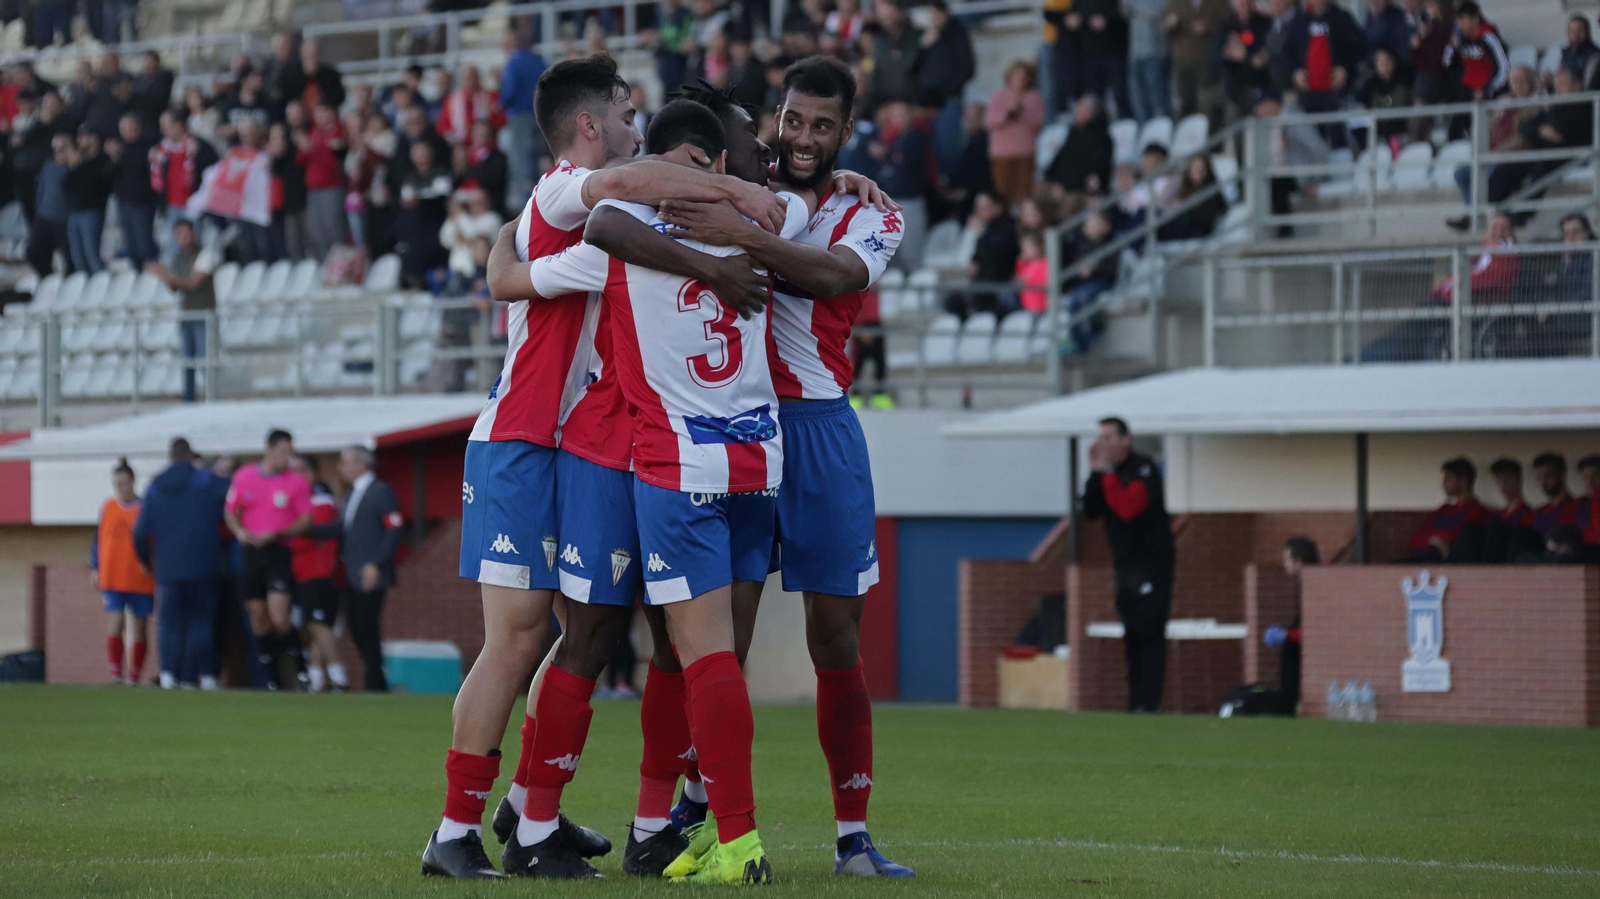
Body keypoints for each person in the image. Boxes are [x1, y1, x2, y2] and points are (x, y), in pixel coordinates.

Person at [535, 60, 911, 880]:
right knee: (709, 643)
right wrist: (734, 208)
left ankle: (852, 834)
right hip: (737, 430)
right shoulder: (739, 178)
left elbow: (834, 275)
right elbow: (622, 210)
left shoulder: (860, 210)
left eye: (824, 127)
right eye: (793, 121)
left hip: (814, 429)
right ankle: (693, 817)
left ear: (847, 131)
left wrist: (742, 235)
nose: (804, 138)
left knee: (834, 637)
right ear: (774, 121)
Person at [422, 53, 788, 881]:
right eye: (625, 112)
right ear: (592, 125)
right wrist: (733, 196)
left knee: (575, 630)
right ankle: (452, 832)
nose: (634, 126)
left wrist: (508, 270)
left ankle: (529, 811)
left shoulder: (610, 209)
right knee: (517, 640)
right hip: (522, 438)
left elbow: (514, 270)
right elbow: (522, 267)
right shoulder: (567, 190)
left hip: (579, 443)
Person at [1082, 417, 1174, 713]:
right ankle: (1134, 703)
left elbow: (1127, 508)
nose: (1103, 443)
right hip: (1124, 567)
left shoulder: (1142, 468)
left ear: (1125, 440)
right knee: (1132, 635)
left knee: (1149, 633)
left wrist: (1107, 473)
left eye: (1109, 437)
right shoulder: (1107, 473)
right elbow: (1090, 510)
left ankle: (1150, 703)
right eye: (1100, 437)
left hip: (1152, 566)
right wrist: (1095, 475)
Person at [132, 438, 230, 691]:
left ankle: (167, 675)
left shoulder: (155, 487)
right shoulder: (206, 482)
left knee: (169, 623)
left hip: (168, 569)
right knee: (201, 623)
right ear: (190, 456)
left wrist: (146, 560)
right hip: (204, 566)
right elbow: (233, 500)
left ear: (170, 456)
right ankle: (199, 676)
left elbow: (140, 532)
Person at [224, 429, 314, 691]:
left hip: (279, 551)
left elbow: (306, 520)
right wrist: (240, 531)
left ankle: (301, 670)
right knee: (258, 619)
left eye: (290, 452)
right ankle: (273, 679)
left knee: (279, 618)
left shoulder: (296, 482)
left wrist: (277, 533)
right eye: (284, 452)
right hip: (252, 554)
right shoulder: (244, 476)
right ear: (269, 450)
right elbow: (231, 512)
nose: (288, 457)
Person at [309, 445, 404, 693]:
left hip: (370, 573)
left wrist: (376, 563)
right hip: (350, 573)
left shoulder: (379, 491)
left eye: (345, 462)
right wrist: (305, 528)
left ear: (361, 464)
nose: (341, 467)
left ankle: (375, 684)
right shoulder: (352, 494)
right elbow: (341, 528)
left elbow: (394, 528)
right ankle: (375, 682)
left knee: (367, 627)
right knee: (357, 627)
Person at [286, 453, 345, 693]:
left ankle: (339, 677)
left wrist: (281, 533)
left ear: (310, 474)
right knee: (315, 626)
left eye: (297, 471)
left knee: (318, 624)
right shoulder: (307, 498)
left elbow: (308, 534)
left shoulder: (320, 499)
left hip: (319, 571)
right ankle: (317, 678)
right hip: (305, 571)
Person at [93, 459, 154, 686]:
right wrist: (95, 566)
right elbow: (97, 539)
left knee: (139, 625)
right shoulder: (108, 507)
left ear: (133, 482)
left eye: (124, 482)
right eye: (116, 483)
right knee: (115, 621)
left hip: (139, 576)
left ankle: (135, 676)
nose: (120, 487)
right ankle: (116, 673)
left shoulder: (144, 509)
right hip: (112, 575)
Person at [144, 219, 216, 402]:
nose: (184, 238)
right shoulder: (178, 258)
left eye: (187, 233)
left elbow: (193, 283)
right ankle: (189, 399)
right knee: (187, 362)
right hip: (187, 315)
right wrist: (165, 275)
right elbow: (175, 287)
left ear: (194, 234)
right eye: (180, 235)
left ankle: (212, 397)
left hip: (203, 315)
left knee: (204, 360)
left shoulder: (205, 255)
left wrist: (164, 274)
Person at [1284, 0, 1366, 146]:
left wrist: (1345, 70)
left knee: (1339, 141)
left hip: (1338, 96)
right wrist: (1294, 73)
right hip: (1307, 96)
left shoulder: (1343, 19)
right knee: (1310, 142)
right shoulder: (1298, 22)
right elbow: (1286, 55)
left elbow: (1360, 49)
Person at [1259, 536, 1317, 714]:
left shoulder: (1315, 587)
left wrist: (1287, 636)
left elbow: (1315, 628)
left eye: (1287, 559)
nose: (1284, 564)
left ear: (1298, 561)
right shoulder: (1304, 585)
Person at [984, 61, 1045, 206]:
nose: (1020, 80)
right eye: (1016, 76)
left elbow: (1039, 122)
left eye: (1023, 77)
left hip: (1025, 152)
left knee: (1024, 193)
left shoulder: (1034, 97)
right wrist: (1008, 115)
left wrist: (1022, 113)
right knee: (1002, 192)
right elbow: (989, 121)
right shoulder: (999, 96)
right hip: (1002, 154)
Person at [1407, 457, 1491, 561]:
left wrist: (1437, 541)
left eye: (1448, 479)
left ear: (1463, 480)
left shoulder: (1478, 511)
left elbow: (1461, 540)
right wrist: (1435, 541)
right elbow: (1415, 539)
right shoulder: (1443, 510)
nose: (1443, 484)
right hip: (1417, 562)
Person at [1043, 96, 1113, 218]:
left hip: (1079, 190)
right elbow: (1061, 159)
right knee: (1037, 195)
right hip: (1062, 185)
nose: (1076, 110)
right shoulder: (1074, 133)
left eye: (1080, 108)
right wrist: (1052, 181)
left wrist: (1063, 186)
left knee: (1067, 207)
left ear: (1090, 114)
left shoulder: (1102, 139)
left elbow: (1091, 172)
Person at [500, 28, 547, 211]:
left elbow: (509, 92)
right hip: (541, 117)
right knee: (539, 160)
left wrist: (501, 104)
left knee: (521, 160)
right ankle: (539, 198)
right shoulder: (540, 61)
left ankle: (523, 206)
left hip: (520, 116)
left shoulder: (513, 62)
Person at [1160, 0, 1229, 121]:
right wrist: (1169, 24)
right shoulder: (1175, 2)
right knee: (1186, 104)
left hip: (1207, 61)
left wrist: (1208, 26)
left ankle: (1211, 136)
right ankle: (1189, 136)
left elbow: (1229, 21)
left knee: (1207, 104)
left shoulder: (1219, 2)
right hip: (1183, 61)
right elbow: (1161, 25)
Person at [108, 113, 158, 270]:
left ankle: (154, 274)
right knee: (131, 246)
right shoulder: (117, 149)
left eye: (133, 128)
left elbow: (141, 168)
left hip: (142, 203)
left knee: (144, 244)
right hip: (124, 203)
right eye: (126, 129)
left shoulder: (147, 147)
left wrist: (118, 156)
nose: (130, 132)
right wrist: (114, 158)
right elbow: (108, 173)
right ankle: (139, 275)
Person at [1212, 0, 1273, 121]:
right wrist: (1228, 52)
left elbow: (1264, 56)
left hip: (1262, 89)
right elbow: (1214, 57)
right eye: (1239, 1)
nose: (1243, 3)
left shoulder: (1264, 23)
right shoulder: (1225, 25)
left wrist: (1245, 55)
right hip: (1234, 90)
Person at [63, 131, 112, 274]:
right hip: (74, 213)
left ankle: (101, 287)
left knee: (92, 256)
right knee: (78, 258)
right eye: (82, 138)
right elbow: (66, 187)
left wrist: (78, 166)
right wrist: (73, 167)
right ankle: (85, 290)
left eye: (89, 138)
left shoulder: (102, 161)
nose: (85, 142)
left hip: (91, 212)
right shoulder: (77, 163)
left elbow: (96, 184)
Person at [1156, 154, 1228, 240]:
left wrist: (1184, 208)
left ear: (1208, 170)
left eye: (1202, 168)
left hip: (1196, 231)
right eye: (1195, 167)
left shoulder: (1212, 192)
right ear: (1189, 170)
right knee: (1148, 215)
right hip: (1180, 226)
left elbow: (1206, 220)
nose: (1199, 171)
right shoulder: (1185, 189)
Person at [1126, 0, 1171, 123]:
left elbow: (1159, 11)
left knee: (1158, 97)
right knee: (1139, 99)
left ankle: (1162, 132)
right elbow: (1124, 10)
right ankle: (1145, 134)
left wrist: (1135, 5)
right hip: (1135, 52)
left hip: (1156, 52)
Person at [1530, 451, 1579, 534]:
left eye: (1548, 475)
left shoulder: (1577, 509)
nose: (1543, 482)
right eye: (1539, 477)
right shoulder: (1539, 512)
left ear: (1561, 474)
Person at [1561, 15, 1600, 88]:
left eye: (1580, 31)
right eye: (1572, 32)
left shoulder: (1595, 56)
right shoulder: (1565, 54)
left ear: (1587, 32)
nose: (1576, 35)